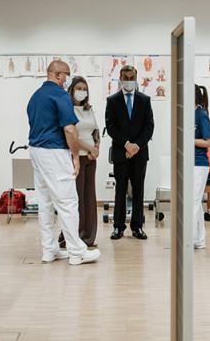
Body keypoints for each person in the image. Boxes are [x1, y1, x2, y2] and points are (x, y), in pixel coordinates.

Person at [26, 59, 100, 265]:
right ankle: (77, 252)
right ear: (58, 75)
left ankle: (49, 250)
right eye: (66, 75)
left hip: (36, 151)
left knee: (45, 203)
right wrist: (75, 156)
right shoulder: (59, 95)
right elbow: (69, 129)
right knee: (68, 202)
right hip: (54, 152)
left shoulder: (35, 96)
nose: (67, 79)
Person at [104, 65, 154, 240]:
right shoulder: (112, 101)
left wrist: (136, 146)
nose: (129, 80)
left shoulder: (145, 100)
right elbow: (111, 127)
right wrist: (126, 144)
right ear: (120, 78)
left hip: (140, 153)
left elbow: (149, 127)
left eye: (132, 77)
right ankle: (118, 227)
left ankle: (137, 226)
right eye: (126, 77)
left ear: (136, 78)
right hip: (121, 153)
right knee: (121, 190)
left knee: (139, 190)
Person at [68, 75, 100, 248]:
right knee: (77, 197)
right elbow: (72, 134)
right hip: (76, 156)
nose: (82, 92)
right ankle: (74, 236)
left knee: (89, 197)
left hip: (90, 158)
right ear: (71, 90)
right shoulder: (68, 109)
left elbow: (96, 130)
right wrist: (90, 148)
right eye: (78, 88)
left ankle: (88, 236)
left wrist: (96, 149)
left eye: (84, 89)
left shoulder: (89, 109)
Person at [193, 84, 210, 250]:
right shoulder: (188, 114)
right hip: (189, 163)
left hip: (199, 164)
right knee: (195, 203)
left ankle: (189, 240)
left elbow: (209, 141)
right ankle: (199, 240)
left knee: (192, 203)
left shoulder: (201, 115)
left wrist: (189, 140)